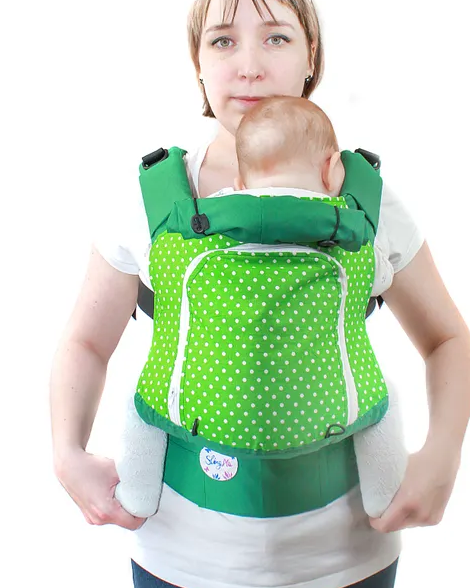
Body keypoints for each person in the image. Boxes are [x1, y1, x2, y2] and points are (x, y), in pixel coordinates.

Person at [50, 0, 470, 588]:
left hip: (346, 559)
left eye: (276, 37)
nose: (249, 65)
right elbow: (86, 342)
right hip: (183, 564)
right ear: (198, 63)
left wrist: (444, 453)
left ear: (312, 56)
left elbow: (447, 340)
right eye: (223, 40)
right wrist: (67, 451)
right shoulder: (150, 199)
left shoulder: (364, 200)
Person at [112, 94, 409, 523]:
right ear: (331, 170)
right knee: (384, 399)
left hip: (207, 417)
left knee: (141, 403)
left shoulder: (181, 236)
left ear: (239, 182)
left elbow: (157, 278)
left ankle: (137, 498)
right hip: (326, 415)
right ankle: (384, 499)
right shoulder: (357, 240)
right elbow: (382, 281)